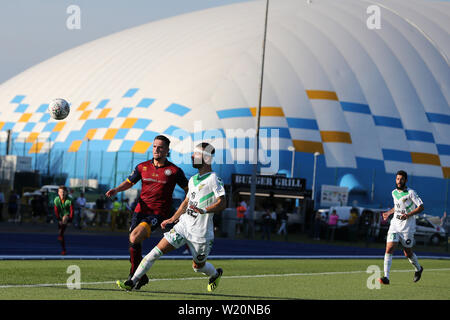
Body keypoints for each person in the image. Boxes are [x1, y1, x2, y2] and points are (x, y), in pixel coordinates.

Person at [116, 142, 226, 292]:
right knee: (154, 253)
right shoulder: (193, 180)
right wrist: (172, 219)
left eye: (196, 154)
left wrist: (204, 210)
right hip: (183, 226)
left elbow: (223, 203)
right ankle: (132, 281)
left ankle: (215, 273)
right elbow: (186, 202)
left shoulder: (214, 179)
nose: (192, 156)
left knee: (198, 267)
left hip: (201, 233)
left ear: (206, 158)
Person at [106, 135, 189, 290]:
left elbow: (189, 192)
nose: (156, 150)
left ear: (167, 150)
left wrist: (183, 211)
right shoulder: (142, 167)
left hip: (158, 213)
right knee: (134, 242)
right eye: (154, 146)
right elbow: (129, 182)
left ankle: (132, 277)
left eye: (160, 147)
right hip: (140, 211)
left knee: (135, 236)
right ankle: (142, 277)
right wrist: (116, 189)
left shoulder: (174, 171)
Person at [379, 170, 424, 285]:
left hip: (407, 227)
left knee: (407, 252)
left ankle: (418, 269)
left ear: (406, 180)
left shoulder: (411, 193)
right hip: (395, 224)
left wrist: (408, 215)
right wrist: (389, 213)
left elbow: (421, 207)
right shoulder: (394, 192)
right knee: (389, 248)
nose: (399, 181)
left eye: (401, 179)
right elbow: (397, 206)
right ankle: (386, 277)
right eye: (397, 179)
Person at [54, 186, 74, 255]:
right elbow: (56, 211)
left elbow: (72, 211)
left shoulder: (70, 200)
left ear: (66, 193)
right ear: (58, 193)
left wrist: (70, 221)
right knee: (61, 235)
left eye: (63, 192)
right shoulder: (56, 199)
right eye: (60, 192)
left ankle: (60, 235)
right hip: (60, 217)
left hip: (67, 216)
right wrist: (58, 219)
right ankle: (64, 250)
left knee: (64, 218)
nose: (62, 193)